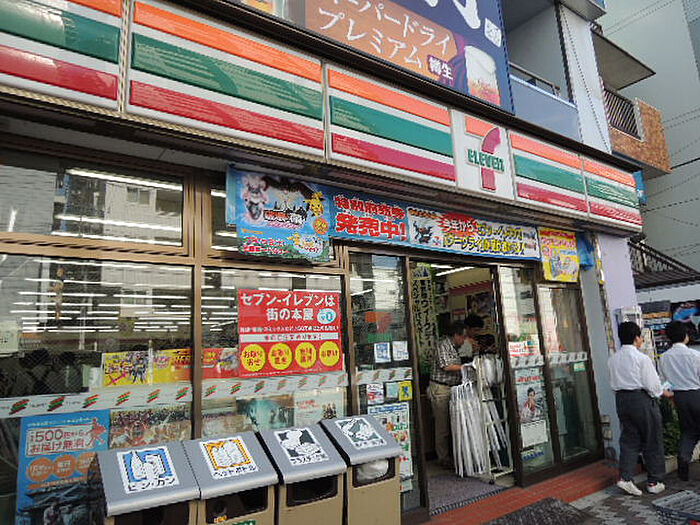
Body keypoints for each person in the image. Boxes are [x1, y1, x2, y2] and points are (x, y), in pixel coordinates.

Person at [609, 321, 668, 496]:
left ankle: (625, 478)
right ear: (636, 338)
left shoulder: (613, 359)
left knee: (629, 439)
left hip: (622, 399)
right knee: (652, 438)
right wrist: (661, 392)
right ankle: (654, 481)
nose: (642, 340)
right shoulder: (642, 358)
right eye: (641, 337)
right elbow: (653, 386)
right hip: (641, 399)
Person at [659, 320, 700, 481]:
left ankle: (683, 459)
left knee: (688, 432)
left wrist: (671, 395)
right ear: (685, 336)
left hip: (679, 398)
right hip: (697, 393)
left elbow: (664, 382)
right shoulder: (695, 355)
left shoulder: (664, 358)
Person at [428, 321, 466, 468]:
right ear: (456, 335)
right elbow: (446, 366)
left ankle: (454, 456)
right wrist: (467, 367)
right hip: (441, 389)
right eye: (463, 337)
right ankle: (443, 458)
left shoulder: (455, 347)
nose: (464, 340)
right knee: (442, 426)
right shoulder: (443, 345)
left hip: (453, 388)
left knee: (453, 423)